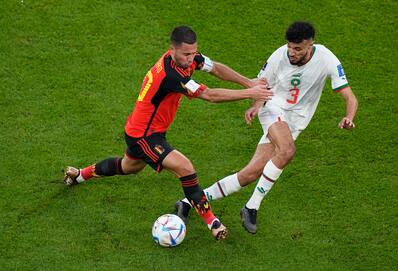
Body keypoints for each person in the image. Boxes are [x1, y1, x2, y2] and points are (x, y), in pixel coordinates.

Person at [63, 25, 273, 240]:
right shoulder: (171, 75)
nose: (191, 59)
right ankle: (213, 222)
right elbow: (209, 95)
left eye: (194, 53)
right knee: (185, 167)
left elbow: (216, 68)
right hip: (144, 135)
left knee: (129, 167)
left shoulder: (186, 58)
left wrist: (248, 81)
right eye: (186, 54)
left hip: (145, 129)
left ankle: (80, 174)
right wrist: (250, 92)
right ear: (172, 49)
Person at [175, 21, 358, 234]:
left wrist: (349, 117)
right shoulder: (279, 56)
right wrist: (256, 105)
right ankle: (251, 206)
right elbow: (260, 85)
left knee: (250, 174)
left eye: (298, 48)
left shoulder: (327, 59)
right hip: (272, 105)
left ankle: (187, 202)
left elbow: (349, 96)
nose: (292, 52)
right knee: (287, 150)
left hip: (296, 121)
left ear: (311, 45)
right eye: (290, 46)